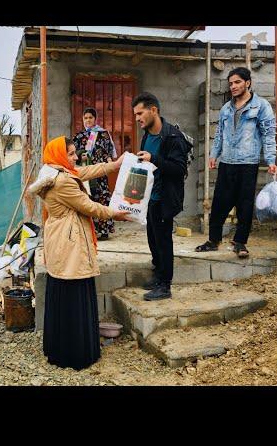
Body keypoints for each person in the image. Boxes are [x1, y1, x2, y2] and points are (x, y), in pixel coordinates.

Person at [28, 136, 129, 370]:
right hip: (70, 242)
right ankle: (76, 353)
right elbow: (89, 207)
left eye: (75, 153)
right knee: (74, 292)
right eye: (71, 154)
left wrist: (114, 165)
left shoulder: (55, 173)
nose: (75, 158)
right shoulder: (62, 182)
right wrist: (116, 213)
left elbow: (86, 171)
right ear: (60, 156)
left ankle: (59, 347)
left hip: (61, 240)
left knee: (63, 294)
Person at [195, 67, 277, 259]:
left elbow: (269, 135)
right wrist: (214, 154)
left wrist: (271, 160)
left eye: (237, 82)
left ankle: (240, 242)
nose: (233, 86)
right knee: (219, 203)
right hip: (227, 162)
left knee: (245, 204)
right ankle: (213, 240)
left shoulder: (261, 106)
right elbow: (219, 135)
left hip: (248, 163)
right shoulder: (226, 109)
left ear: (248, 83)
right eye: (231, 83)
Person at [134, 92, 192, 301]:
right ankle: (158, 275)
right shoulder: (147, 136)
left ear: (154, 110)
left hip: (165, 197)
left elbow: (179, 169)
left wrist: (154, 158)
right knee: (153, 238)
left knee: (164, 241)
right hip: (150, 197)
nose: (138, 118)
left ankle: (165, 285)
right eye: (136, 115)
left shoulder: (173, 137)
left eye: (140, 113)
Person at [72, 108, 118, 240]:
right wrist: (81, 156)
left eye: (90, 118)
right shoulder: (79, 136)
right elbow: (73, 152)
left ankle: (104, 230)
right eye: (85, 118)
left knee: (102, 198)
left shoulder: (103, 134)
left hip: (100, 172)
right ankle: (89, 230)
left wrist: (110, 162)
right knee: (87, 200)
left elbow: (108, 151)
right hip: (86, 173)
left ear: (95, 119)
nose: (88, 120)